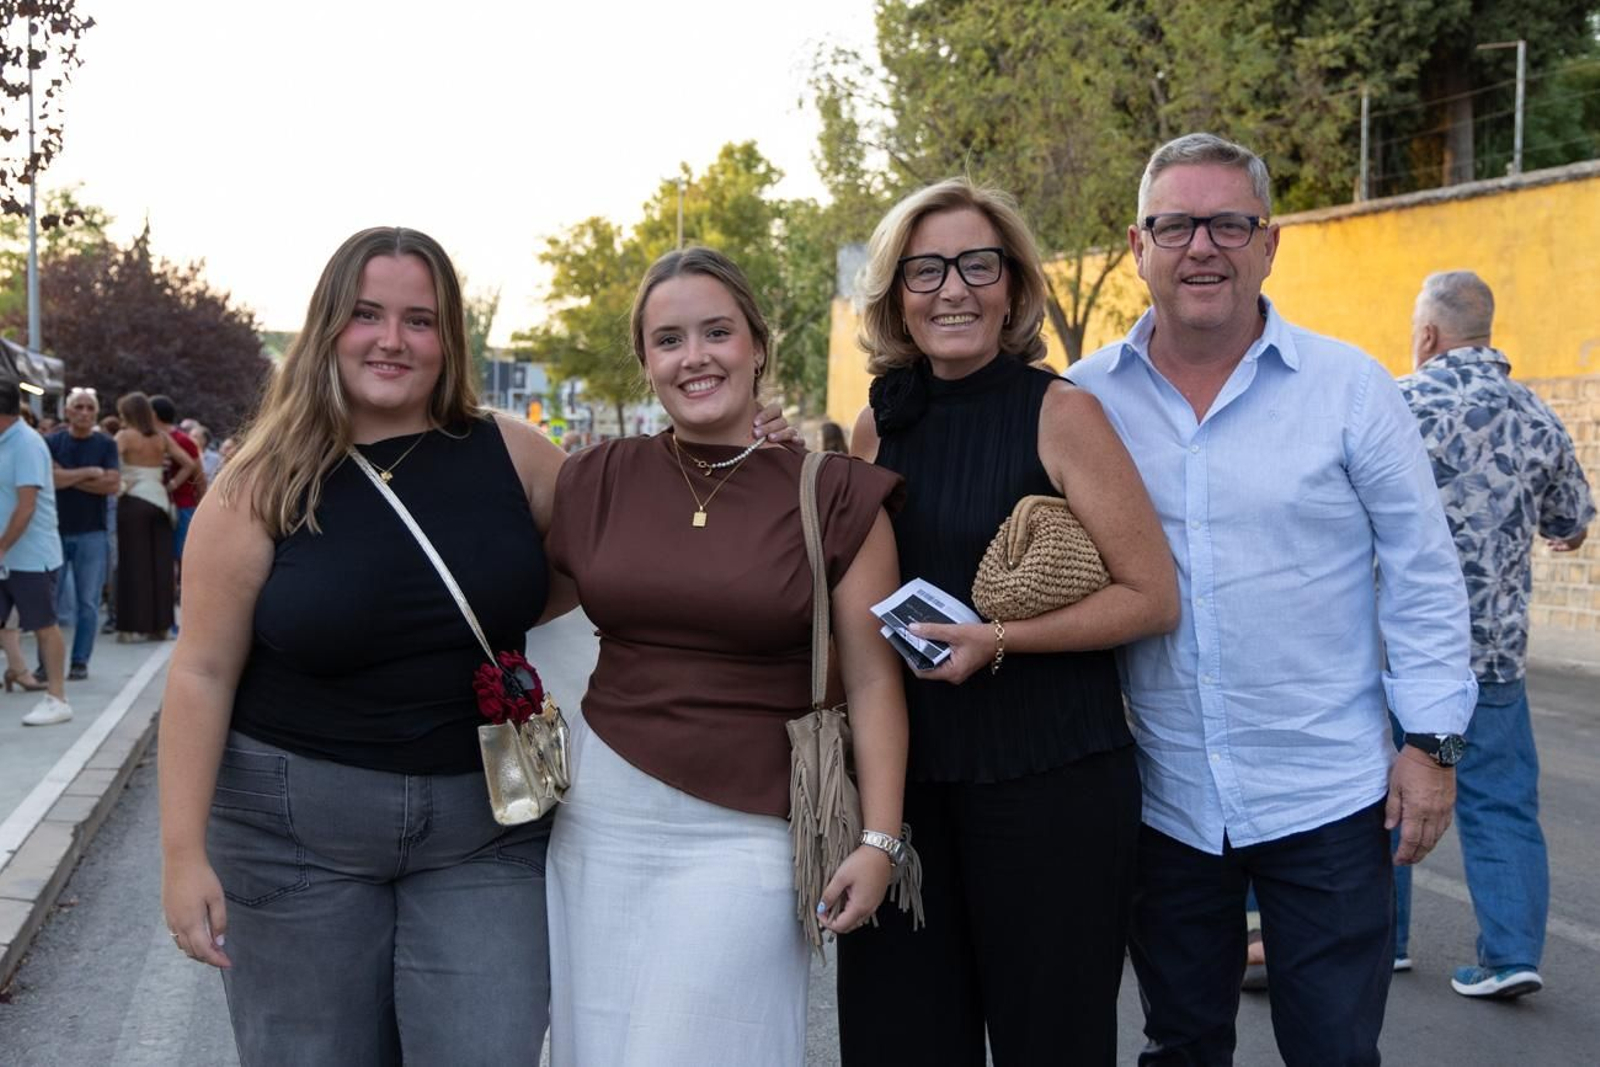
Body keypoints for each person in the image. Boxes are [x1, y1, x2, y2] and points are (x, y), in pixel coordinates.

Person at [158, 227, 793, 1065]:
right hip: (295, 836)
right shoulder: (258, 481)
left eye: (419, 320)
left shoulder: (514, 451)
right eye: (367, 315)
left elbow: (638, 537)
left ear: (450, 336)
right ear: (326, 327)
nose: (393, 339)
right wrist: (180, 856)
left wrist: (748, 458)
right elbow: (201, 671)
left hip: (484, 831)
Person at [1065, 132, 1477, 1066]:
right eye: (1175, 225)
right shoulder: (1083, 399)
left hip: (1329, 797)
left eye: (1227, 223)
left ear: (1269, 242)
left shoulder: (1350, 390)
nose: (1201, 246)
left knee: (1334, 1049)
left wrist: (1432, 745)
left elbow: (1422, 574)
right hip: (1164, 798)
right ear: (1138, 248)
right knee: (1183, 1043)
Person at [837, 178, 1179, 1066]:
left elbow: (1151, 595)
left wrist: (1000, 641)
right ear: (895, 295)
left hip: (1052, 786)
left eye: (976, 264)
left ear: (1013, 285)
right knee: (900, 1040)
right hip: (910, 790)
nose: (953, 288)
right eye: (926, 270)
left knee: (1050, 1043)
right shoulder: (879, 423)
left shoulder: (1061, 411)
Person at [543, 247, 910, 1067]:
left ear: (757, 344)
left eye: (716, 331)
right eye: (668, 339)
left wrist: (880, 841)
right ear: (644, 361)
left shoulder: (835, 493)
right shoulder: (596, 478)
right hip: (600, 818)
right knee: (596, 1045)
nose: (695, 356)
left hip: (749, 827)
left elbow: (877, 680)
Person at [1396, 269, 1595, 998]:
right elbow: (1572, 520)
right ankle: (1510, 954)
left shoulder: (1398, 402)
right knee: (1501, 799)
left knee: (1386, 788)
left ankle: (1385, 942)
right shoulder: (1535, 413)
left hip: (1405, 651)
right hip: (1495, 658)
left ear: (1427, 335)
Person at [0, 379, 72, 725]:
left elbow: (26, 507)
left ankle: (57, 698)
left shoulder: (27, 444)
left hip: (29, 556)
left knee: (44, 625)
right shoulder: (5, 441)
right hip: (6, 555)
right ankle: (19, 671)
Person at [46, 387, 120, 679]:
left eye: (90, 407)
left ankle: (79, 661)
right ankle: (46, 664)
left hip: (93, 532)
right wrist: (90, 472)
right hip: (56, 531)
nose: (84, 413)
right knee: (49, 603)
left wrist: (68, 477)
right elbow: (48, 479)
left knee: (88, 603)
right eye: (79, 406)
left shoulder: (106, 444)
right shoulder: (51, 442)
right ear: (67, 411)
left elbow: (112, 484)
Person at [113, 392, 195, 641]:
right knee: (161, 566)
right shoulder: (162, 438)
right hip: (159, 501)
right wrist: (170, 486)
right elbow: (189, 463)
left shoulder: (125, 436)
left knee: (131, 565)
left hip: (133, 501)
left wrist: (121, 483)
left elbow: (111, 462)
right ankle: (160, 625)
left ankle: (129, 626)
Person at [150, 394, 205, 577]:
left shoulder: (182, 441)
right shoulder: (149, 439)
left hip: (182, 505)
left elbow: (198, 473)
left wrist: (202, 506)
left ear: (154, 414)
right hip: (159, 504)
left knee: (183, 554)